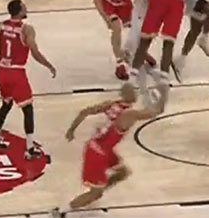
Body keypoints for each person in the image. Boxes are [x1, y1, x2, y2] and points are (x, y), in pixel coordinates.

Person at [50, 83, 168, 217]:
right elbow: (156, 112)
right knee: (95, 194)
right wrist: (163, 95)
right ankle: (61, 211)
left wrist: (71, 130)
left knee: (123, 172)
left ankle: (98, 189)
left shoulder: (111, 104)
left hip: (101, 147)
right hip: (98, 153)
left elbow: (84, 112)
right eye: (134, 90)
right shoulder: (129, 114)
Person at [0, 0, 57, 160]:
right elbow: (35, 53)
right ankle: (30, 148)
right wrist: (49, 65)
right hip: (16, 73)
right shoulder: (27, 29)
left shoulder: (0, 25)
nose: (26, 9)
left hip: (2, 72)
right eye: (24, 7)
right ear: (19, 11)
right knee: (28, 109)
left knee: (6, 103)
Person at [94, 0, 135, 80]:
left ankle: (135, 52)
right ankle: (119, 63)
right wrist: (106, 18)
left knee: (139, 29)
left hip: (125, 5)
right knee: (116, 28)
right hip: (109, 4)